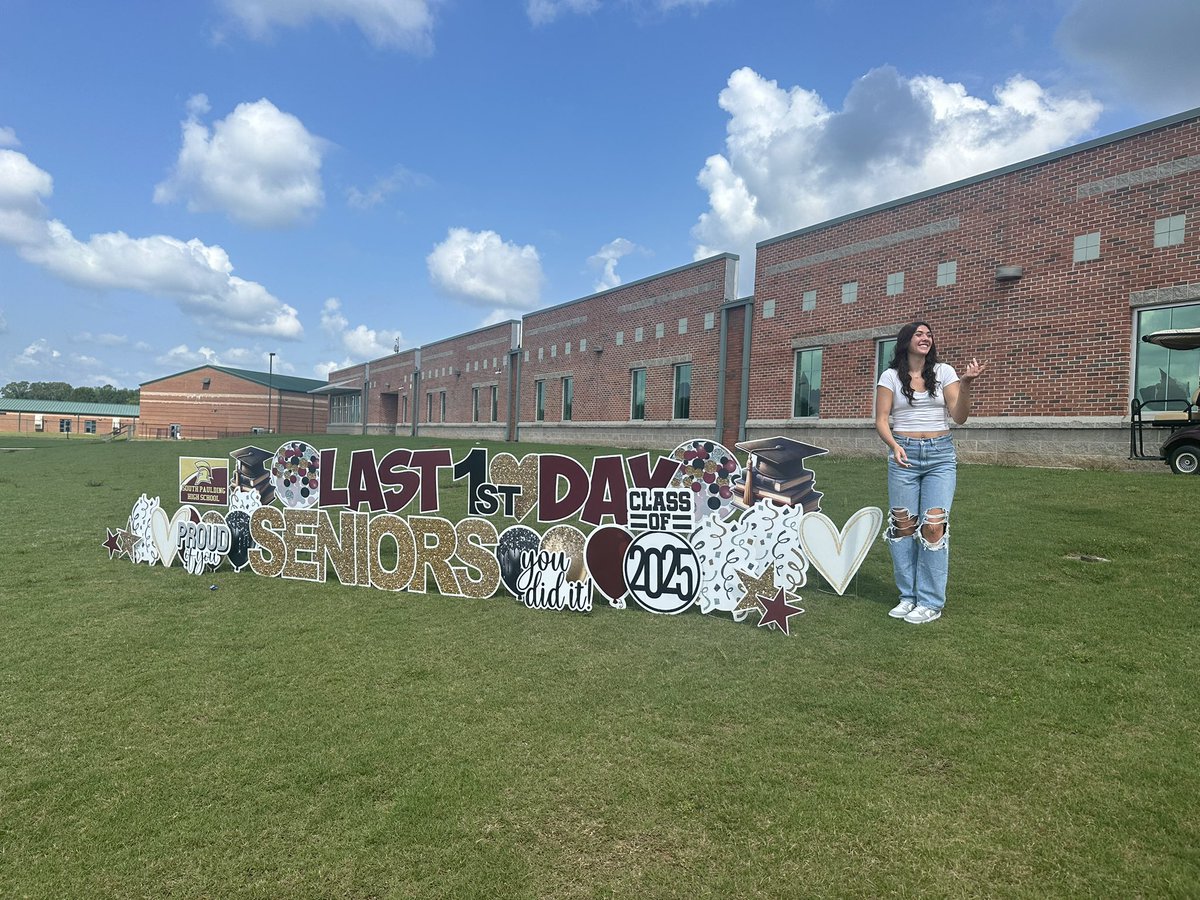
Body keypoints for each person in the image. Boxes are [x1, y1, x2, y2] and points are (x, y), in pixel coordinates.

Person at [874, 322, 986, 624]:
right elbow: (882, 419)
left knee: (934, 526)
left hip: (940, 456)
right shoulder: (889, 377)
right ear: (906, 341)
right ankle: (908, 597)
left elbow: (959, 417)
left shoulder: (944, 372)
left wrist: (966, 385)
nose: (926, 338)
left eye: (929, 334)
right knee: (903, 527)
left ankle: (930, 601)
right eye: (919, 334)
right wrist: (893, 445)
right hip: (904, 455)